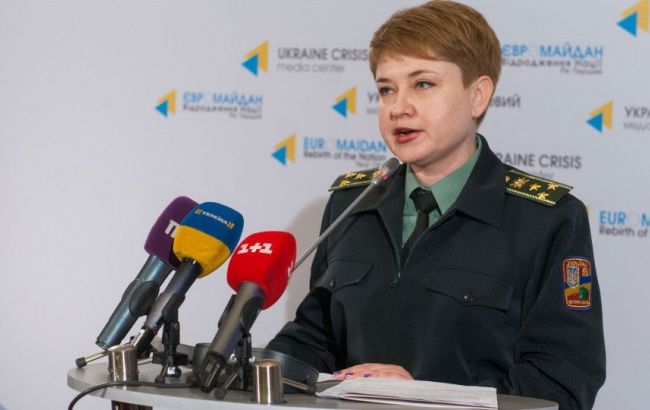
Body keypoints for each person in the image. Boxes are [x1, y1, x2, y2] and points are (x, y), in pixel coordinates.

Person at [267, 1, 606, 409]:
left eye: (423, 84)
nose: (398, 107)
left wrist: (426, 395)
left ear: (478, 96)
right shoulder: (351, 204)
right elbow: (315, 338)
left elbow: (562, 384)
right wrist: (254, 365)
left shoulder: (548, 219)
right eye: (386, 89)